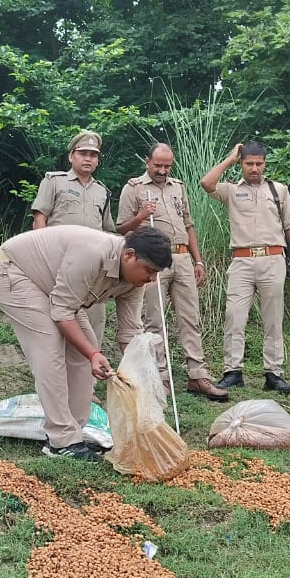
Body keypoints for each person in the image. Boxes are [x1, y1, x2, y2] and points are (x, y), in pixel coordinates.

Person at [0, 225, 171, 460]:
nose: (151, 279)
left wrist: (139, 376)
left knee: (85, 345)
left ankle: (72, 432)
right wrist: (93, 354)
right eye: (149, 270)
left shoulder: (136, 281)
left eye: (156, 274)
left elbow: (129, 333)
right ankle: (60, 440)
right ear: (129, 255)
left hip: (54, 289)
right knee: (49, 346)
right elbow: (63, 313)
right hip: (15, 273)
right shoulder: (92, 254)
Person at [117, 143, 227, 400]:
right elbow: (122, 228)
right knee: (155, 320)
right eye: (158, 165)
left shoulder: (178, 186)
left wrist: (197, 261)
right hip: (153, 259)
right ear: (147, 162)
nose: (163, 170)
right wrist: (142, 215)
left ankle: (197, 376)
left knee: (191, 317)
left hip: (182, 256)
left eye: (167, 166)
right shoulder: (133, 188)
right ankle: (161, 377)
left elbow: (188, 224)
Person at [200, 142, 290, 394]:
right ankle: (232, 371)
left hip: (273, 258)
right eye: (249, 163)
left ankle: (273, 373)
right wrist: (229, 159)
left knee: (273, 319)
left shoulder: (279, 190)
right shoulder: (232, 191)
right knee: (234, 316)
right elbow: (206, 184)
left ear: (265, 164)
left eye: (259, 163)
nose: (254, 168)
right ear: (242, 164)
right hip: (242, 261)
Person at [31, 130, 116, 349]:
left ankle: (89, 372)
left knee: (93, 323)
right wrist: (43, 259)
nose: (88, 158)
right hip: (59, 264)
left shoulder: (103, 192)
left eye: (93, 155)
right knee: (56, 321)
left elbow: (108, 232)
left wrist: (111, 271)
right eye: (83, 153)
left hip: (93, 271)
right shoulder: (54, 181)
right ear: (71, 156)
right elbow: (40, 219)